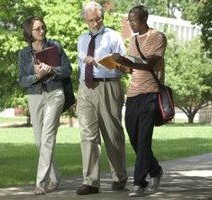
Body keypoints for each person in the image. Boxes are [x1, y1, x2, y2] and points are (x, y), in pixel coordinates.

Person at [113, 5, 167, 197]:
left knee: (144, 139)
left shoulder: (157, 37)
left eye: (134, 20)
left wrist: (128, 62)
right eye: (129, 20)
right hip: (133, 94)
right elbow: (133, 69)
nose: (131, 23)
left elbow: (150, 63)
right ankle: (155, 170)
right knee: (135, 138)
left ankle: (140, 183)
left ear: (144, 19)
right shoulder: (132, 40)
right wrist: (119, 66)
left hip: (151, 93)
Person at [75, 1, 128, 195]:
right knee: (87, 135)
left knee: (112, 134)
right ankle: (90, 181)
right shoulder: (81, 39)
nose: (95, 23)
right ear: (85, 20)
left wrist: (110, 60)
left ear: (102, 17)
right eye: (91, 20)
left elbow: (124, 64)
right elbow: (81, 66)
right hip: (85, 87)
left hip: (108, 85)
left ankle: (119, 177)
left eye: (98, 19)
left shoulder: (113, 36)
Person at [17, 16, 72, 195]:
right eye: (37, 29)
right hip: (35, 95)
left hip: (55, 93)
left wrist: (51, 70)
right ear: (29, 33)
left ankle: (40, 182)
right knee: (39, 141)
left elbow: (67, 70)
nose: (42, 31)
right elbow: (22, 81)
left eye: (43, 28)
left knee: (48, 136)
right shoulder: (23, 54)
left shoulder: (54, 46)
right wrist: (37, 77)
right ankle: (55, 177)